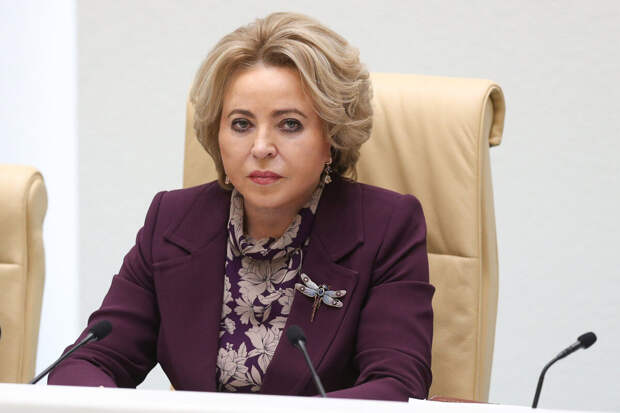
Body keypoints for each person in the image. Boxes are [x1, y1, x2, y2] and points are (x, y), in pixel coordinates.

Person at [48, 12, 435, 401]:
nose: (261, 147)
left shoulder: (386, 227)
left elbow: (397, 385)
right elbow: (89, 361)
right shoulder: (173, 222)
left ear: (332, 136)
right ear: (216, 134)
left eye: (289, 124)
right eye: (241, 124)